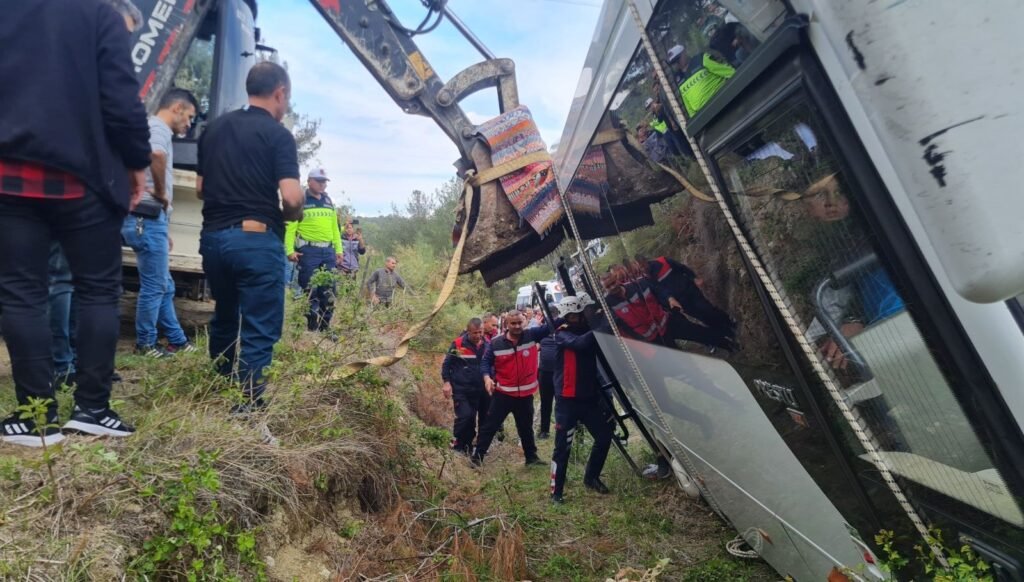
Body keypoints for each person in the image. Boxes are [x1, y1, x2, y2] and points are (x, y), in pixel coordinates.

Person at [0, 0, 151, 446]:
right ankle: (92, 409)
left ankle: (35, 418)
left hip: (9, 177)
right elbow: (122, 102)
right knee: (99, 289)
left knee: (21, 291)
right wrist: (136, 162)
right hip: (83, 178)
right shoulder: (99, 15)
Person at [197, 61, 304, 414]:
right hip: (255, 240)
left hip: (213, 240)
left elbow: (200, 189)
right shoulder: (278, 135)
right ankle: (247, 404)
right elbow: (290, 197)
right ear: (280, 93)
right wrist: (293, 215)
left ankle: (220, 384)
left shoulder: (213, 129)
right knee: (260, 325)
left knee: (225, 313)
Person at [48, 0, 142, 389]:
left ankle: (74, 361)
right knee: (66, 280)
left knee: (76, 283)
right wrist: (135, 166)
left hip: (82, 182)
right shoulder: (76, 65)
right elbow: (122, 112)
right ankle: (63, 364)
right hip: (70, 182)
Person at [122, 88, 199, 358]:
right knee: (156, 286)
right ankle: (146, 344)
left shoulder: (153, 127)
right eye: (189, 117)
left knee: (165, 285)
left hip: (150, 219)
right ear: (177, 107)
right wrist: (161, 195)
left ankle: (177, 339)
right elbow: (156, 155)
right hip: (147, 215)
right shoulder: (158, 127)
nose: (189, 125)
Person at [550, 293, 614, 503]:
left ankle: (591, 478)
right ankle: (556, 492)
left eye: (583, 314)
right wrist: (601, 324)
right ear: (569, 316)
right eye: (578, 315)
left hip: (588, 400)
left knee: (604, 437)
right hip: (567, 402)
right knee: (563, 449)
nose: (582, 318)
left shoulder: (587, 331)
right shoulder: (562, 334)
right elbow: (580, 344)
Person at [471, 310, 550, 467]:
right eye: (513, 323)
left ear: (525, 322)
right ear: (507, 324)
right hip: (503, 395)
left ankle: (531, 458)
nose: (517, 326)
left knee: (526, 428)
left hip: (525, 396)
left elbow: (552, 326)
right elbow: (485, 363)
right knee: (489, 426)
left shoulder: (532, 335)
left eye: (520, 322)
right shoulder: (496, 343)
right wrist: (487, 378)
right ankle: (477, 458)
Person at [285, 168, 343, 332]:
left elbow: (335, 229)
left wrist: (339, 250)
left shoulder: (328, 201)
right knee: (310, 289)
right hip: (308, 251)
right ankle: (312, 325)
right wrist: (290, 250)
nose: (322, 184)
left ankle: (325, 327)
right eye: (319, 181)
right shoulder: (301, 200)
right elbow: (290, 228)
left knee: (328, 290)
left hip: (328, 252)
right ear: (309, 181)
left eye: (324, 181)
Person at [638, 255, 737, 344]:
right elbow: (660, 293)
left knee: (707, 309)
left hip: (689, 290)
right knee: (702, 317)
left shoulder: (663, 261)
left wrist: (694, 278)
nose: (643, 269)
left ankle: (729, 322)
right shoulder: (646, 279)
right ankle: (726, 333)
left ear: (645, 261)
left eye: (643, 266)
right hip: (680, 303)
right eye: (640, 268)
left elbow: (682, 268)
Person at [441, 318, 489, 454]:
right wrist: (446, 382)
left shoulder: (488, 345)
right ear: (468, 331)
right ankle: (458, 444)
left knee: (483, 419)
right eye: (475, 333)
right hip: (462, 389)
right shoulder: (458, 344)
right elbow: (447, 364)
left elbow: (492, 364)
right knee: (466, 416)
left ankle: (476, 447)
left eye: (480, 332)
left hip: (482, 390)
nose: (478, 335)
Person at [666, 43, 735, 117]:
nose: (677, 64)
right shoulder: (678, 79)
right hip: (704, 115)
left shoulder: (701, 59)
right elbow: (687, 103)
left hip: (722, 100)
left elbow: (728, 71)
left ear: (684, 53)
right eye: (674, 62)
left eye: (677, 59)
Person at [536, 305, 562, 439]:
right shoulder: (542, 331)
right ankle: (544, 430)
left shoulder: (563, 329)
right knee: (546, 402)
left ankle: (561, 427)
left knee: (561, 402)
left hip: (560, 373)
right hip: (544, 372)